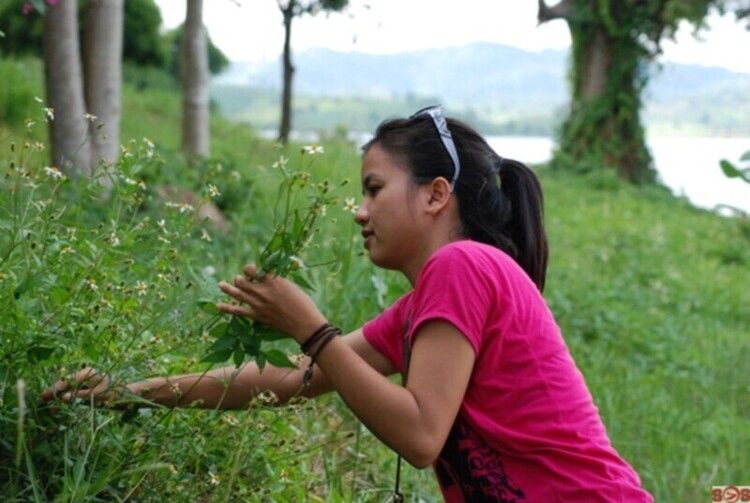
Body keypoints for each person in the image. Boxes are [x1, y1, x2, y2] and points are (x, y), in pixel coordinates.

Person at [43, 106, 654, 502]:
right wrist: (129, 391)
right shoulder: (430, 300)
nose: (360, 210)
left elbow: (420, 436)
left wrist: (310, 327)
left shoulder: (463, 265)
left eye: (374, 188)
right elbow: (285, 379)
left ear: (437, 194)